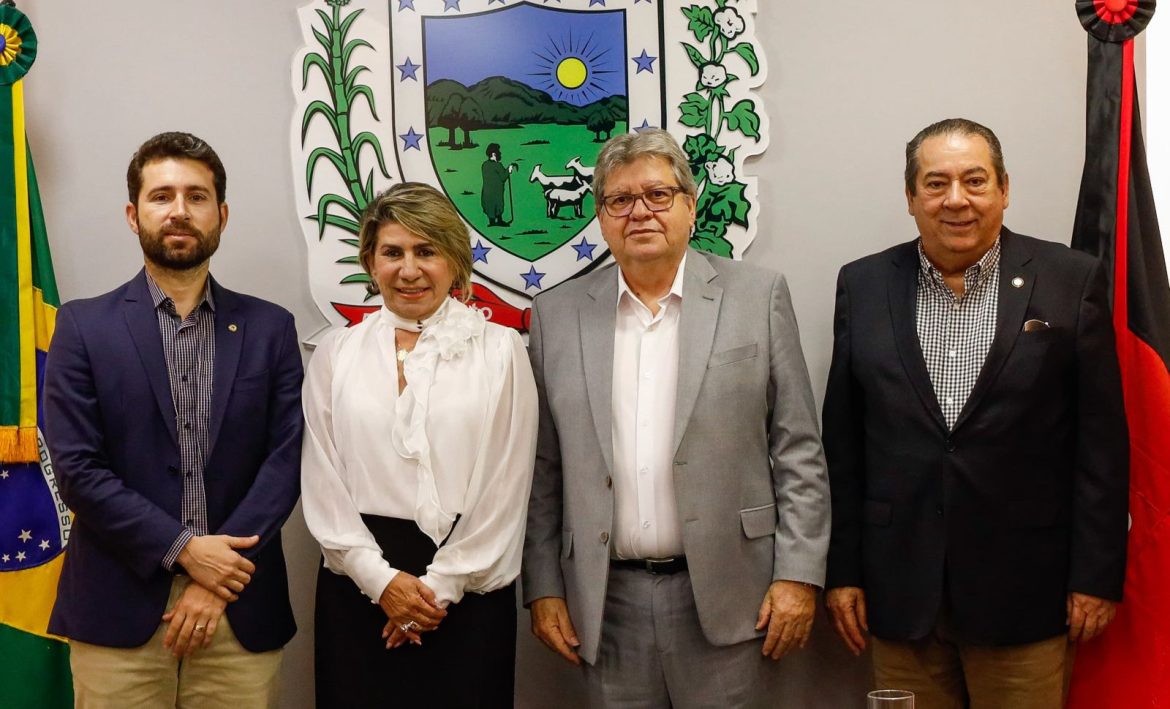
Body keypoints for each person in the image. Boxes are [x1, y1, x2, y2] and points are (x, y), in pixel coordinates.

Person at [823, 118, 1129, 708]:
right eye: (936, 184)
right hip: (898, 593)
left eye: (975, 180)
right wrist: (844, 570)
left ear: (1005, 189)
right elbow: (845, 445)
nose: (956, 200)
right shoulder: (862, 285)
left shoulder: (1070, 280)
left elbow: (1102, 445)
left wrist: (1095, 576)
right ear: (910, 196)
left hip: (1025, 592)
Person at [522, 129, 830, 707]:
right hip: (605, 603)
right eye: (620, 199)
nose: (640, 212)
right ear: (601, 215)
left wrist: (798, 574)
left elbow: (798, 449)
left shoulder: (756, 296)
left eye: (658, 195)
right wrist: (543, 586)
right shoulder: (556, 315)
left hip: (735, 594)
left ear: (690, 205)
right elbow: (545, 467)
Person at [42, 132, 303, 708]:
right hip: (119, 612)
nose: (179, 211)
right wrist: (186, 550)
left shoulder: (270, 329)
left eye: (197, 196)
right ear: (134, 215)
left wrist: (219, 576)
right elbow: (78, 471)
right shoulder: (83, 328)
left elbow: (286, 461)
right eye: (162, 196)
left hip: (241, 608)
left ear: (222, 214)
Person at [301, 181, 538, 708]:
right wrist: (381, 583)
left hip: (467, 590)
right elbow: (323, 484)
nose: (409, 269)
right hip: (359, 584)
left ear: (454, 258)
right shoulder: (336, 353)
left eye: (426, 250)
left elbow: (506, 485)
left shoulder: (499, 350)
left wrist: (435, 593)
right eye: (393, 252)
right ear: (370, 261)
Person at [481, 142, 514, 226]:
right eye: (498, 151)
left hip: (486, 192)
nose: (500, 153)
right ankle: (499, 220)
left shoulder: (485, 165)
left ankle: (492, 221)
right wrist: (509, 170)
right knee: (498, 205)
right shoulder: (498, 165)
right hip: (496, 192)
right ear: (494, 153)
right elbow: (503, 177)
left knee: (489, 205)